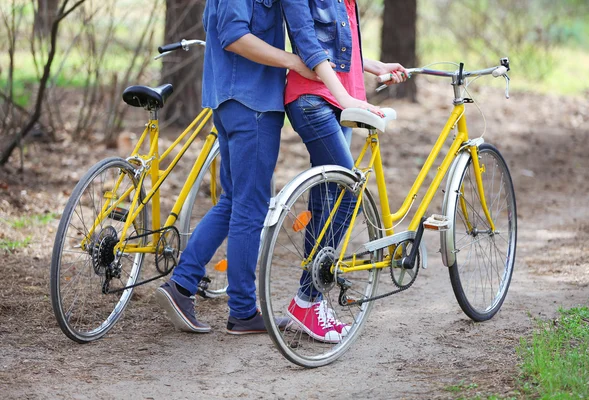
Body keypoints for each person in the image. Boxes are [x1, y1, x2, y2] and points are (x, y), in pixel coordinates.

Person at [156, 0, 317, 335]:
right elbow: (234, 36)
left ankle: (183, 284)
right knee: (250, 205)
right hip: (251, 104)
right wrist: (292, 62)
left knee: (233, 201)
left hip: (236, 101)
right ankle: (242, 311)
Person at [280, 0, 408, 342]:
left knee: (326, 202)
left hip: (340, 100)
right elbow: (307, 44)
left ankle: (307, 305)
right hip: (315, 99)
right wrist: (347, 99)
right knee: (349, 195)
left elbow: (338, 49)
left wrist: (375, 66)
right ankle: (308, 300)